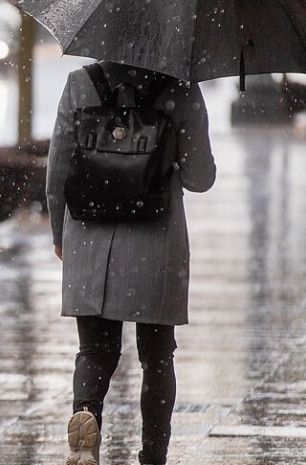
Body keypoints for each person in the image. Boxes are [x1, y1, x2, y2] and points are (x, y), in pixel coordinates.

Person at [46, 60, 216, 465]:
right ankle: (153, 454)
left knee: (94, 351)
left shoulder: (79, 84)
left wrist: (59, 235)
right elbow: (199, 178)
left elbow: (57, 170)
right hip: (155, 241)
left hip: (89, 236)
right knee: (157, 356)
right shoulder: (181, 89)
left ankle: (85, 415)